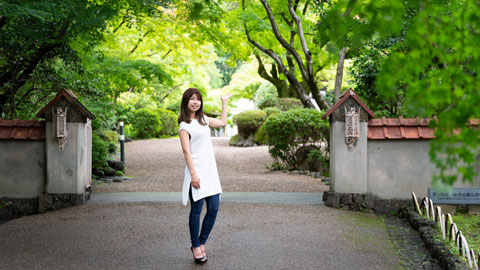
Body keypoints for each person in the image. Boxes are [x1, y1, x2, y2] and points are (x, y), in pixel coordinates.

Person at [178, 88, 231, 264]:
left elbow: (223, 122)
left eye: (198, 99)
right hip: (196, 172)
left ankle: (202, 242)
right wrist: (193, 173)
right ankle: (195, 246)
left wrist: (224, 102)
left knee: (214, 208)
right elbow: (186, 151)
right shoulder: (184, 126)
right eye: (192, 99)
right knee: (196, 210)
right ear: (186, 102)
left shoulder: (204, 120)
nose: (195, 102)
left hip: (210, 172)